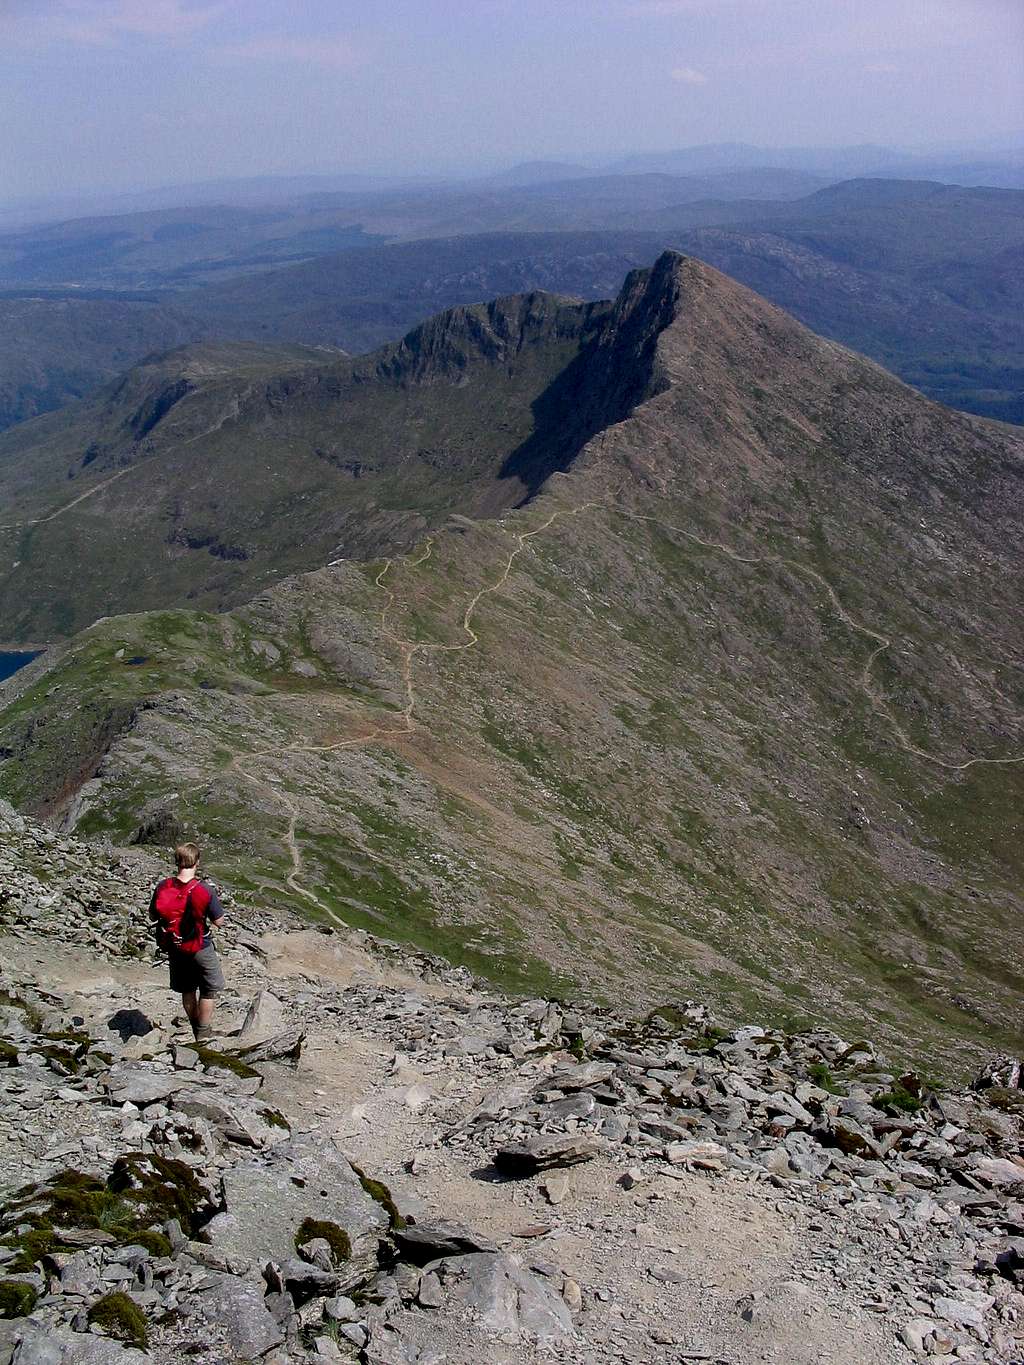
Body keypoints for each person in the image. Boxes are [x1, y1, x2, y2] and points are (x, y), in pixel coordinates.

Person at [148, 842, 226, 1041]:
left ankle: (194, 1027)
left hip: (174, 947)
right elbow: (219, 921)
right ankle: (203, 1032)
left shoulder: (163, 886)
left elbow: (152, 916)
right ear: (197, 862)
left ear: (177, 862)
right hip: (200, 946)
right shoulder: (205, 890)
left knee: (187, 989)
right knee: (209, 989)